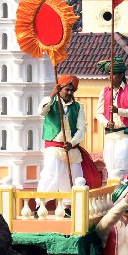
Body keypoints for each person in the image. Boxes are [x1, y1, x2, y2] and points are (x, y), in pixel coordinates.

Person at [37, 75, 88, 206]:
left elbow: (81, 129)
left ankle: (68, 207)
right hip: (54, 148)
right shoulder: (50, 103)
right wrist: (52, 95)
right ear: (59, 89)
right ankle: (40, 204)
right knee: (50, 175)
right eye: (67, 89)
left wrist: (72, 142)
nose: (70, 93)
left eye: (72, 90)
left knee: (75, 178)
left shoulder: (78, 107)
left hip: (71, 147)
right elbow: (41, 112)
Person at [95, 56, 128, 180]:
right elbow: (99, 113)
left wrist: (117, 110)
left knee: (122, 165)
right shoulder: (104, 91)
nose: (110, 77)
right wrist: (106, 123)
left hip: (124, 134)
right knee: (110, 167)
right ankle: (113, 194)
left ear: (121, 75)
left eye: (113, 74)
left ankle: (123, 193)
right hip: (109, 134)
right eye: (109, 74)